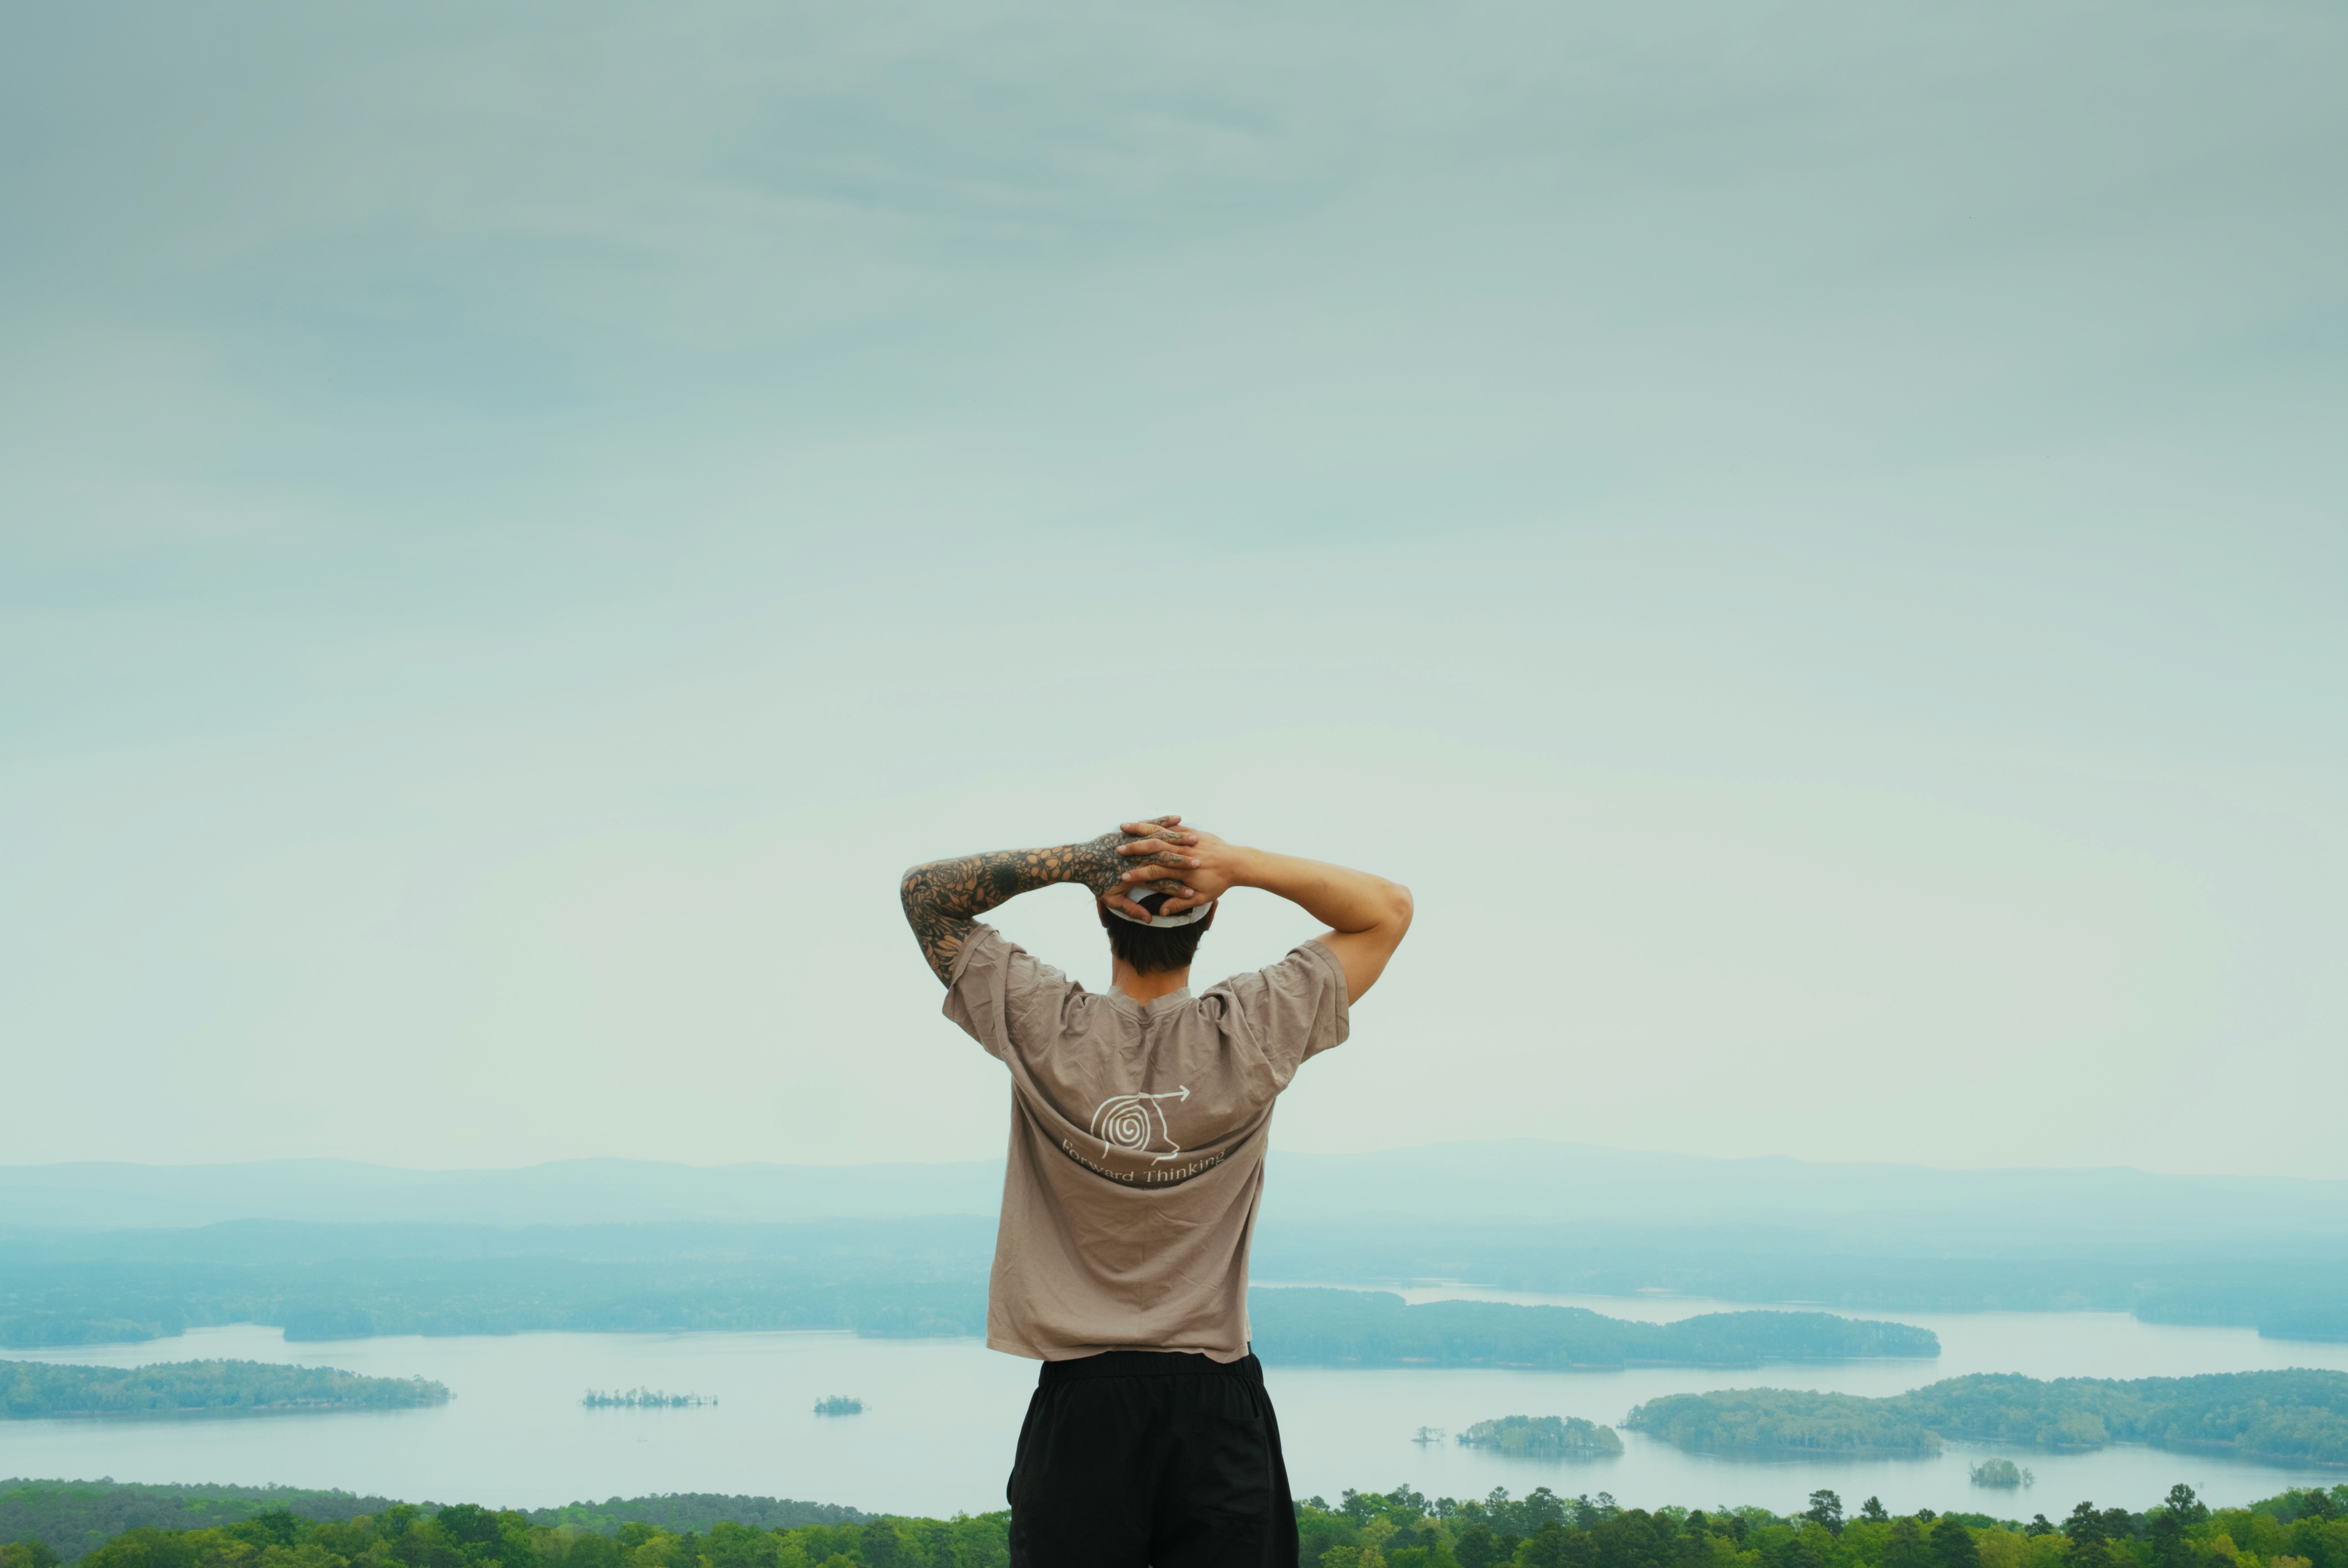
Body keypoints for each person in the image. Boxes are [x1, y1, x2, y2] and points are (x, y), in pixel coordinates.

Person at [899, 816, 1413, 1568]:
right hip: (1216, 1398)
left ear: (1102, 911)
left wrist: (1080, 860)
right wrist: (1233, 863)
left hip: (1081, 1404)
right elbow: (1387, 909)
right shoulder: (1253, 1029)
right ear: (1211, 918)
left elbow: (925, 894)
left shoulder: (1042, 1023)